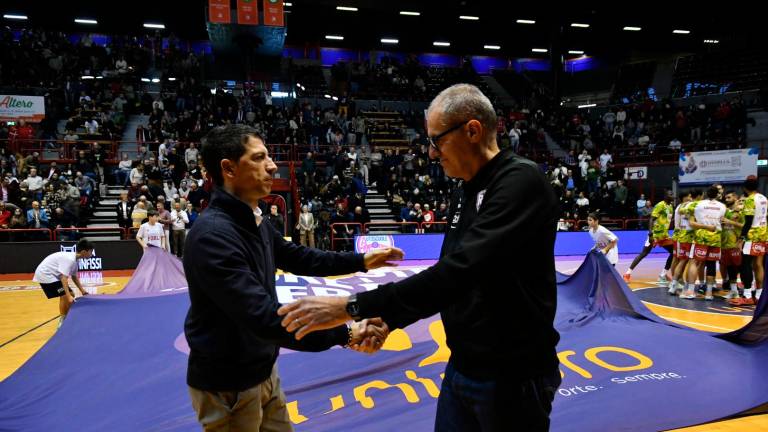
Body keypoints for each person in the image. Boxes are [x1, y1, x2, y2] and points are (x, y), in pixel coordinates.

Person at [277, 84, 561, 431]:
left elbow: (462, 271)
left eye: (436, 139)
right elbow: (448, 279)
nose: (430, 153)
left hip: (513, 376)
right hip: (463, 367)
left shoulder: (521, 182)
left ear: (472, 130)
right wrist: (388, 320)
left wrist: (351, 306)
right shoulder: (464, 189)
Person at [183, 124, 401, 431]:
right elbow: (267, 320)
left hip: (263, 372)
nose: (272, 165)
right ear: (229, 168)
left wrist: (361, 260)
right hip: (228, 386)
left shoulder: (252, 219)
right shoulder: (214, 236)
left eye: (269, 156)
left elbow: (299, 256)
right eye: (259, 158)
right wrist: (346, 334)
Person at [33, 239, 93, 327]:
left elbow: (74, 277)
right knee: (65, 295)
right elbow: (63, 278)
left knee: (71, 294)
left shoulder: (75, 260)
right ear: (84, 252)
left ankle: (67, 318)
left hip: (53, 274)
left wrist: (83, 291)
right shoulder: (70, 260)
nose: (91, 254)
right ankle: (63, 321)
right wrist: (68, 296)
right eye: (91, 252)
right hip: (45, 274)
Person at [681, 186, 726, 300]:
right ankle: (709, 294)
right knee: (711, 264)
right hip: (716, 238)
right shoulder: (722, 206)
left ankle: (690, 291)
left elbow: (688, 218)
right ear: (717, 195)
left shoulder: (696, 205)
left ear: (706, 193)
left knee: (694, 262)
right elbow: (724, 220)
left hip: (701, 238)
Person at [730, 176, 768, 306]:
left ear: (745, 188)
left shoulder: (750, 200)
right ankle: (758, 295)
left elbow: (748, 221)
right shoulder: (764, 198)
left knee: (745, 264)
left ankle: (747, 295)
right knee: (758, 264)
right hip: (763, 234)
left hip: (752, 235)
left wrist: (741, 238)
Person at [624, 190, 675, 283]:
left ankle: (662, 275)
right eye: (670, 194)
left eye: (672, 194)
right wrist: (650, 233)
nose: (672, 195)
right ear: (665, 196)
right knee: (644, 253)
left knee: (674, 252)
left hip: (664, 236)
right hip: (655, 235)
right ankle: (627, 273)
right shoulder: (660, 205)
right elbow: (651, 219)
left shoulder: (671, 207)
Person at [720, 192, 745, 300]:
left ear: (736, 197)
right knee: (730, 269)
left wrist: (730, 221)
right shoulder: (725, 211)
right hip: (725, 244)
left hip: (736, 244)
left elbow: (744, 225)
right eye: (726, 197)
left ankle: (748, 290)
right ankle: (734, 291)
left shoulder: (741, 212)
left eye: (729, 197)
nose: (727, 199)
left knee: (741, 267)